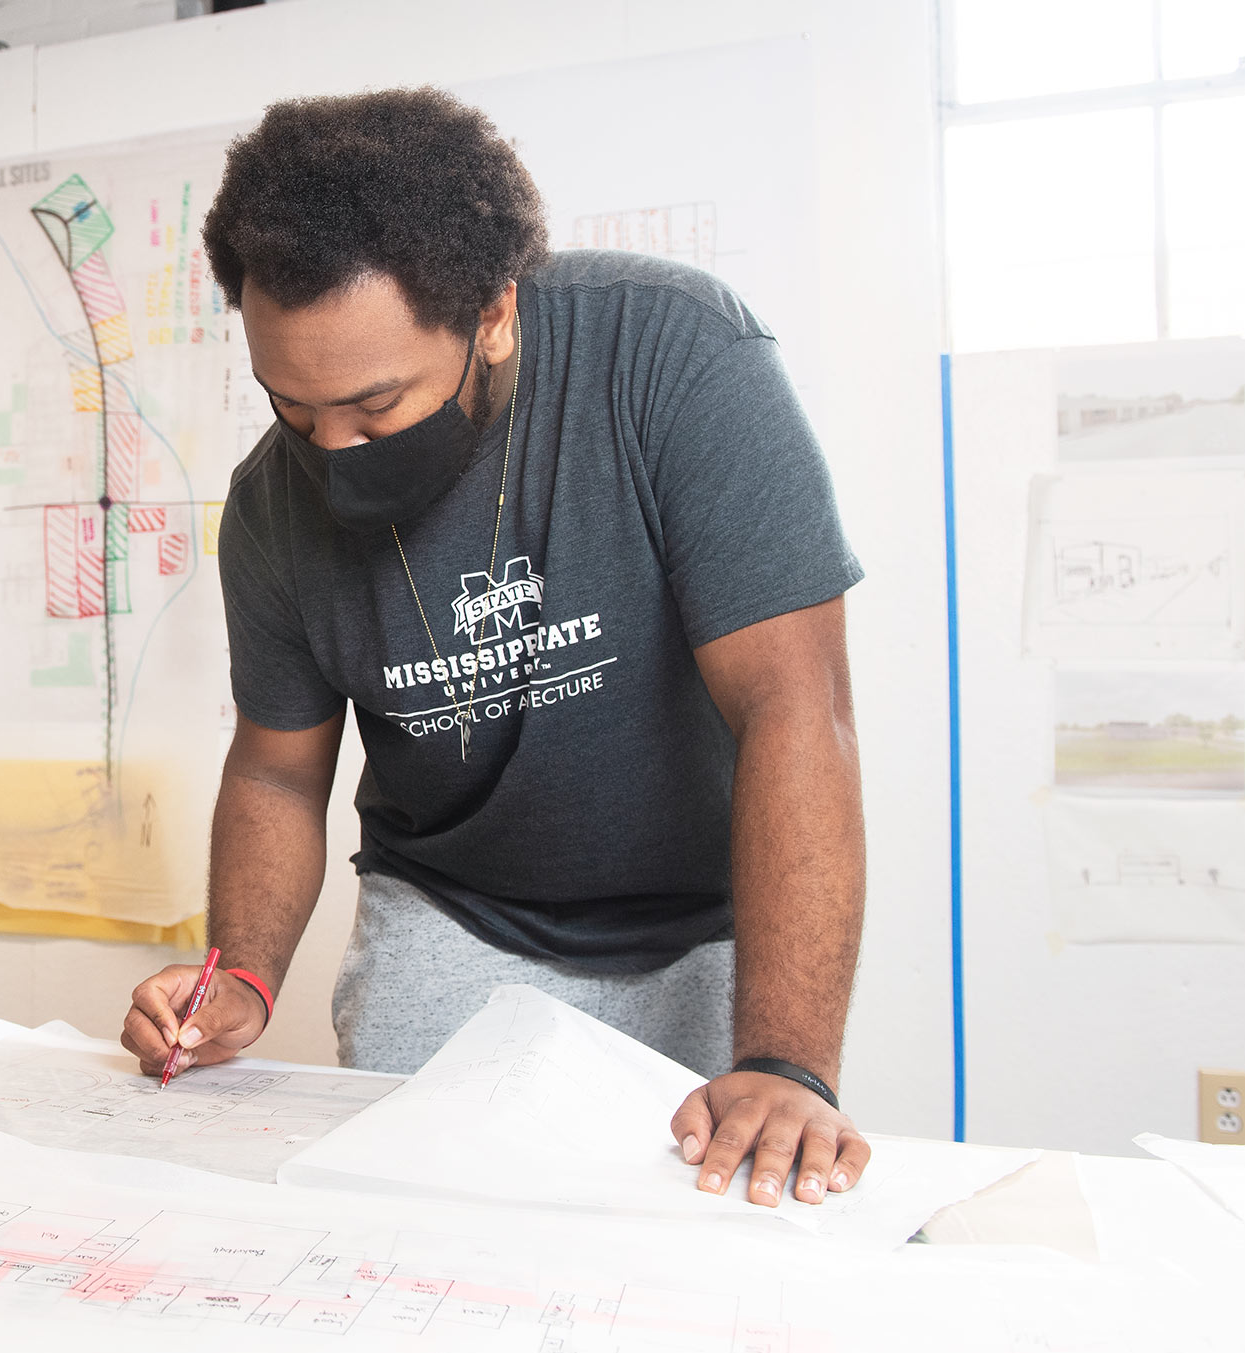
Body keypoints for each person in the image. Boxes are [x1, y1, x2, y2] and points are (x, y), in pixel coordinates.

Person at [120, 88, 871, 1209]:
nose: (333, 449)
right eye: (294, 405)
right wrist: (243, 973)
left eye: (376, 404)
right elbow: (278, 768)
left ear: (496, 314)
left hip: (705, 911)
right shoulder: (271, 508)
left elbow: (794, 707)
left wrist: (784, 1059)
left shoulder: (674, 355)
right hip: (450, 907)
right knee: (409, 1233)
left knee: (703, 1238)